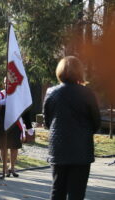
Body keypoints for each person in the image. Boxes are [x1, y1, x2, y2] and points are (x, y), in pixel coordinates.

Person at [43, 56, 100, 200]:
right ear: (80, 72)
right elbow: (96, 122)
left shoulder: (51, 92)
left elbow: (47, 121)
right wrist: (84, 133)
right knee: (77, 192)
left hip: (58, 148)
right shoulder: (87, 93)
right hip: (81, 149)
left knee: (57, 190)